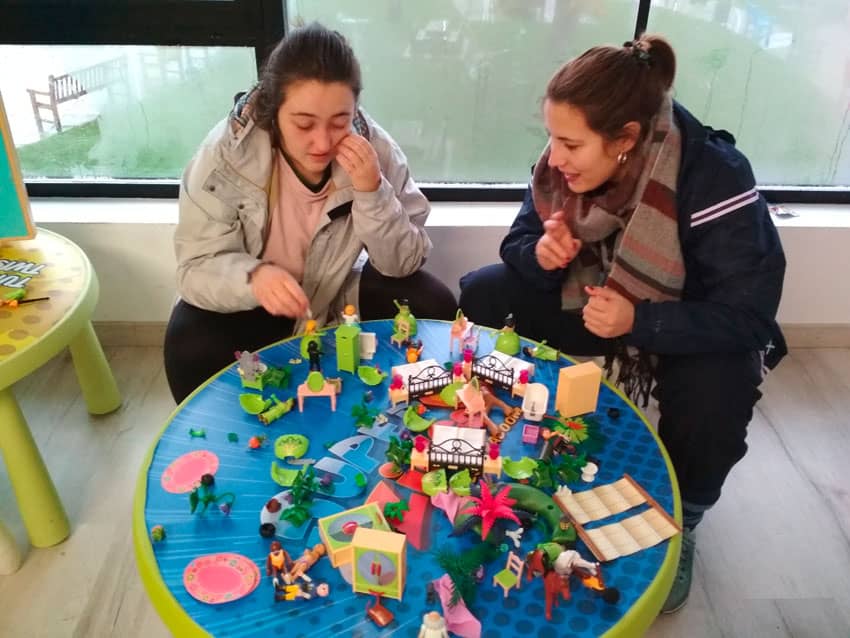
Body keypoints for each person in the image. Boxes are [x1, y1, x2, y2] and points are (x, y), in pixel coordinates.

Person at [459, 34, 786, 613]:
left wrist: (641, 320)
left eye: (570, 144)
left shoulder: (713, 175)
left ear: (626, 140)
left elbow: (748, 317)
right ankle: (507, 426)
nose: (554, 157)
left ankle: (684, 519)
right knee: (486, 291)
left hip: (684, 324)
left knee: (720, 389)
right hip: (599, 304)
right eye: (551, 137)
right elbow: (519, 241)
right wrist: (540, 256)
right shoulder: (562, 162)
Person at [164, 22, 456, 403]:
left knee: (433, 303)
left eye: (340, 122)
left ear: (355, 110)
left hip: (333, 292)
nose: (322, 142)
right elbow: (194, 267)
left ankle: (408, 409)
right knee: (188, 344)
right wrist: (254, 277)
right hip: (257, 304)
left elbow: (403, 263)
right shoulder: (225, 158)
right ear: (273, 111)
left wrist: (372, 191)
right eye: (304, 124)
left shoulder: (376, 150)